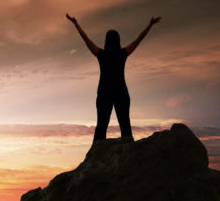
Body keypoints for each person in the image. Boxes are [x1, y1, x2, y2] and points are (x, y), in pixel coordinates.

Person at [66, 13, 161, 142]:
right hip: (121, 92)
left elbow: (85, 38)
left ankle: (97, 157)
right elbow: (139, 39)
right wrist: (150, 25)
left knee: (101, 128)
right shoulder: (123, 53)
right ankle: (128, 157)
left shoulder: (101, 54)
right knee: (125, 127)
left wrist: (76, 24)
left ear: (106, 41)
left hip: (104, 93)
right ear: (118, 41)